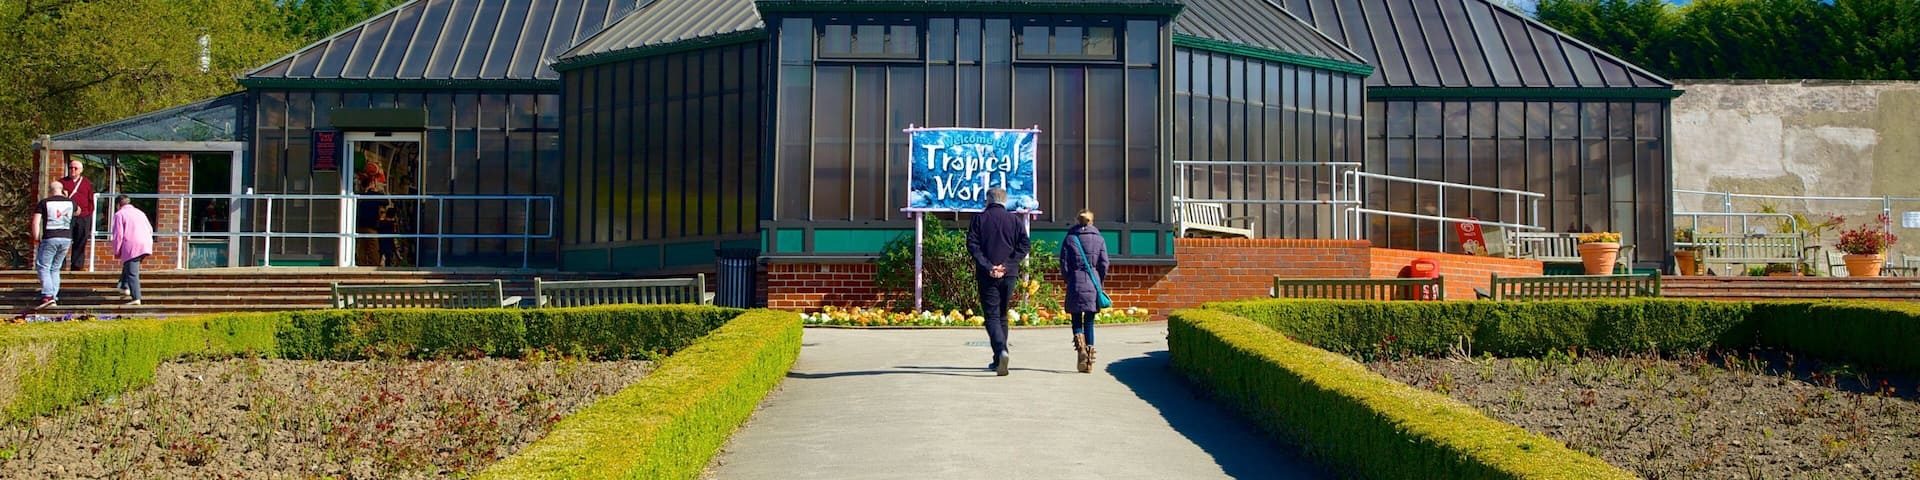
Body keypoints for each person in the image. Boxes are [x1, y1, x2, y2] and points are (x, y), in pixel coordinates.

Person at [966, 187, 1030, 376]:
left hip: (987, 274)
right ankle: (999, 357)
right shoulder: (1014, 220)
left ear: (988, 200)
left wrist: (989, 266)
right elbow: (1024, 245)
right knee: (1002, 315)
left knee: (992, 316)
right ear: (1005, 201)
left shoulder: (979, 219)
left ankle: (1001, 351)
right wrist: (1007, 265)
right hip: (1009, 274)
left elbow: (972, 245)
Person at [1059, 209, 1109, 374]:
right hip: (1093, 282)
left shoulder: (1070, 239)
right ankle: (1089, 360)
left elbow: (1064, 264)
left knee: (1076, 319)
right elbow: (1104, 264)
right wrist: (1098, 281)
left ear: (1076, 220)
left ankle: (1079, 347)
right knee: (1089, 321)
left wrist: (1069, 279)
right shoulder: (1099, 239)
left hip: (1075, 281)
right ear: (1092, 221)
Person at [31, 183, 77, 309]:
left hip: (50, 237)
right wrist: (67, 197)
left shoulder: (44, 202)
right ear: (62, 190)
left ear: (50, 190)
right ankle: (54, 297)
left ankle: (47, 295)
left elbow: (36, 221)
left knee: (43, 266)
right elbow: (78, 212)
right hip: (66, 238)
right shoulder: (71, 203)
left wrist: (36, 237)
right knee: (55, 268)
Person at [110, 196, 154, 306]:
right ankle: (124, 286)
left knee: (132, 272)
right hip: (145, 243)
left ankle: (136, 297)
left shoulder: (119, 214)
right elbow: (150, 229)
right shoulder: (140, 213)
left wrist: (116, 250)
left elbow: (118, 235)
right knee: (128, 266)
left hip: (131, 244)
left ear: (118, 205)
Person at [57, 159, 95, 270]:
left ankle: (77, 266)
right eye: (70, 168)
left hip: (83, 216)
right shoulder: (62, 182)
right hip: (66, 217)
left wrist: (89, 214)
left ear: (81, 170)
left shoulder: (86, 183)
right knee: (63, 240)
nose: (72, 170)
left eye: (75, 168)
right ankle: (60, 265)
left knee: (80, 241)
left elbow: (90, 200)